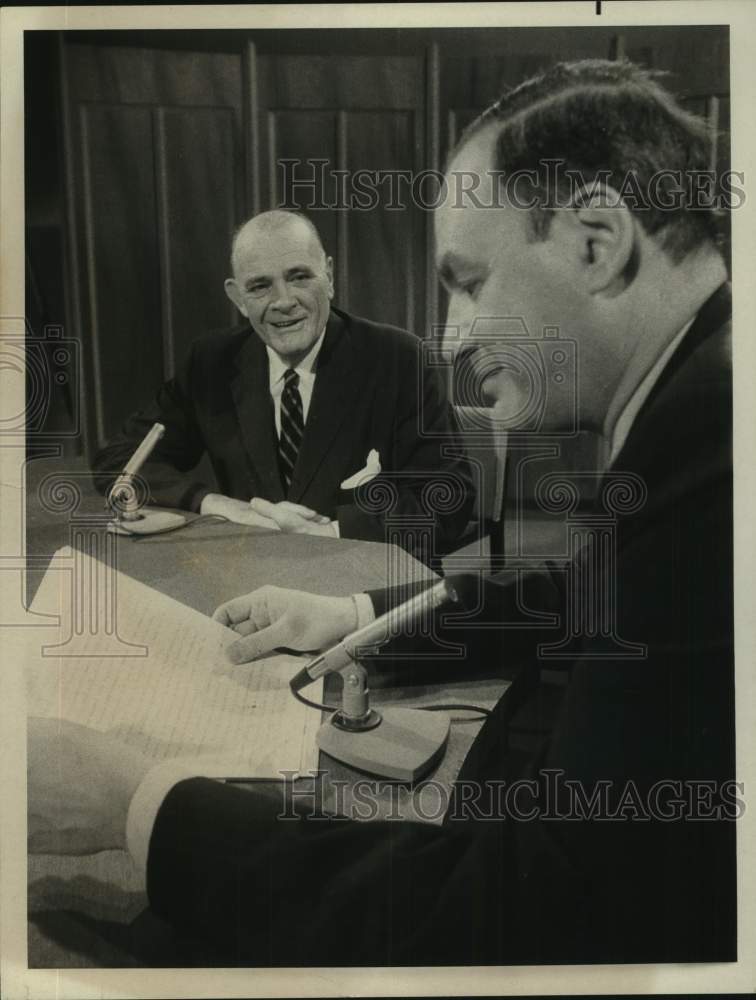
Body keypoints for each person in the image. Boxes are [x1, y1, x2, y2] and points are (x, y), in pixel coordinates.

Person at [30, 59, 735, 965]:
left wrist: (138, 806)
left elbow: (535, 908)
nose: (454, 334)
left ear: (598, 240)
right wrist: (355, 618)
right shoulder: (699, 411)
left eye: (470, 281)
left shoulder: (716, 468)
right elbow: (577, 596)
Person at [91, 210, 473, 557]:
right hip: (253, 578)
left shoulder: (398, 359)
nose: (283, 301)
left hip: (362, 581)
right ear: (237, 297)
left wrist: (330, 533)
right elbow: (119, 460)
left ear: (329, 276)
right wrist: (219, 504)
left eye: (299, 277)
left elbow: (448, 503)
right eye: (260, 286)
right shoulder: (211, 363)